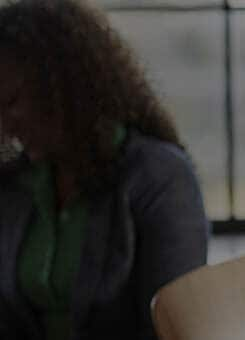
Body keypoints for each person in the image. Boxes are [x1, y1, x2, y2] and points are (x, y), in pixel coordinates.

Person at [0, 1, 208, 339]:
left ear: (64, 86)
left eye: (12, 102)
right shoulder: (15, 185)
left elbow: (171, 328)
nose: (5, 126)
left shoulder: (159, 178)